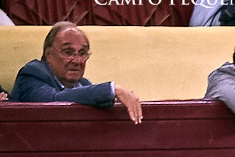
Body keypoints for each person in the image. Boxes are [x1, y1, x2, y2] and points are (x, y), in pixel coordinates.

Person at [10, 22, 144, 124]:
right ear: (49, 54)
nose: (77, 61)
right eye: (68, 52)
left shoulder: (83, 84)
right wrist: (112, 89)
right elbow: (54, 102)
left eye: (82, 53)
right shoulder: (32, 73)